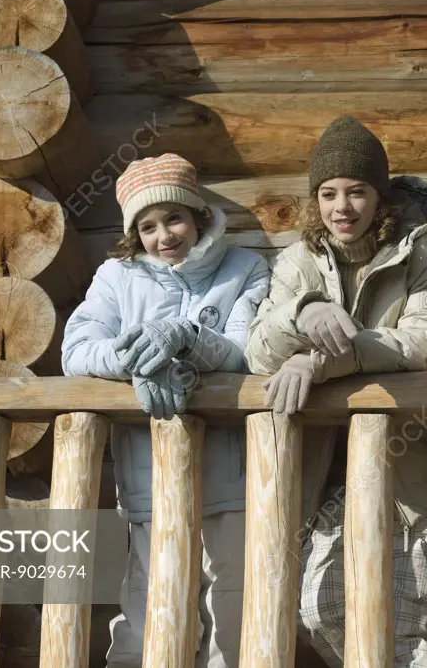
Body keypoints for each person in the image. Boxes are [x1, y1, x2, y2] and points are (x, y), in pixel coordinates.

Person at [245, 115, 427, 667]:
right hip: (325, 475)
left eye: (356, 191)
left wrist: (322, 363)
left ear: (379, 196)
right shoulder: (296, 263)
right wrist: (305, 312)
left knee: (421, 620)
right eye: (328, 193)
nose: (342, 207)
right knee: (319, 608)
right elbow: (258, 349)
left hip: (411, 467)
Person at [61, 153, 270, 668]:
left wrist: (186, 339)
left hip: (231, 472)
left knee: (234, 600)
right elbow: (77, 350)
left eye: (174, 218)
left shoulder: (244, 268)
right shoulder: (116, 277)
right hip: (147, 473)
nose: (164, 235)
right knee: (152, 597)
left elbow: (246, 350)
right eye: (148, 226)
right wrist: (136, 361)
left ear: (198, 214)